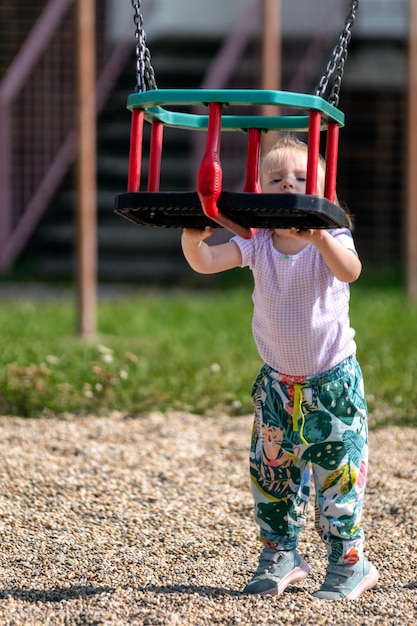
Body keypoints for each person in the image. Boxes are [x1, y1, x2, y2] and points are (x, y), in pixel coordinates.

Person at [181, 133, 379, 601]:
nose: (289, 185)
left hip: (332, 385)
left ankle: (349, 561)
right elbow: (207, 262)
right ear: (260, 190)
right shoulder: (259, 242)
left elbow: (350, 271)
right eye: (277, 178)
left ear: (322, 193)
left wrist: (319, 237)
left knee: (339, 477)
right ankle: (280, 553)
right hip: (276, 387)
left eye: (301, 179)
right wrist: (194, 238)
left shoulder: (332, 237)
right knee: (273, 476)